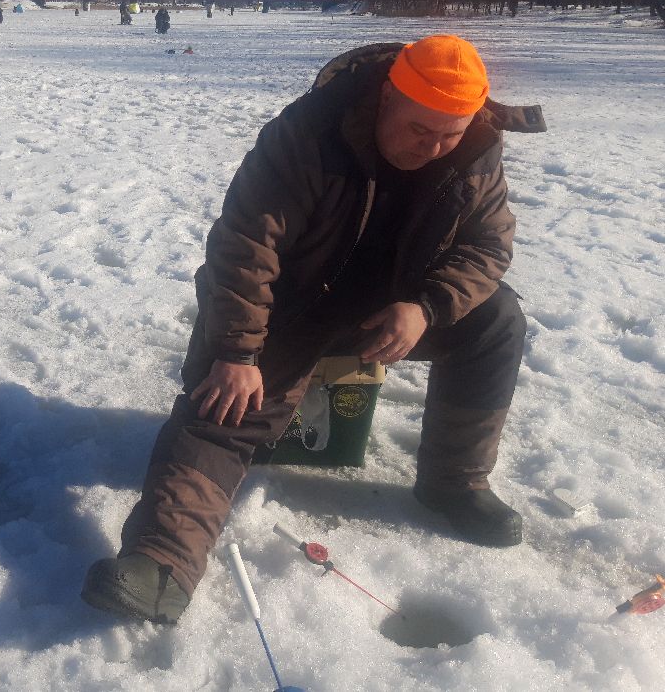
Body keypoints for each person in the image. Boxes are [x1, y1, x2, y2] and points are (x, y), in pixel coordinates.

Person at [81, 35, 547, 625]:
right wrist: (234, 349)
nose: (432, 149)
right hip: (291, 305)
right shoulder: (306, 134)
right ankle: (162, 562)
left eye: (447, 135)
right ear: (386, 98)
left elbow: (489, 246)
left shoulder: (476, 147)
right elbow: (246, 245)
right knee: (226, 400)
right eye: (418, 131)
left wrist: (426, 308)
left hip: (392, 310)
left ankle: (454, 484)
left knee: (498, 319)